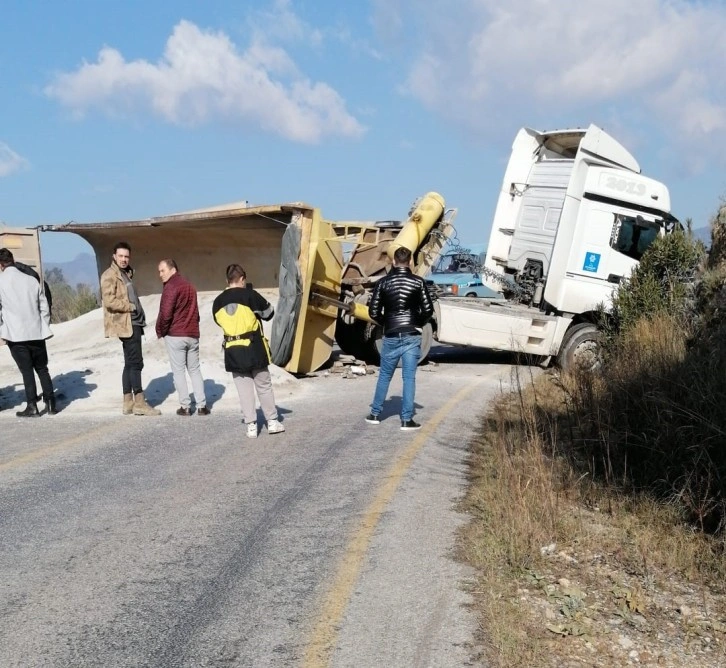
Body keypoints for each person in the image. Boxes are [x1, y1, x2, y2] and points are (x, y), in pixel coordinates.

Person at [365, 246, 434, 430]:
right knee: (409, 378)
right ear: (410, 262)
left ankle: (375, 414)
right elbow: (428, 310)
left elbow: (373, 311)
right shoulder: (418, 282)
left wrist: (387, 322)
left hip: (391, 334)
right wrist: (416, 322)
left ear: (393, 262)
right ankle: (406, 420)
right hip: (412, 335)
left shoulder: (383, 283)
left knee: (385, 376)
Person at [212, 264, 285, 439]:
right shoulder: (250, 295)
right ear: (243, 279)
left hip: (232, 350)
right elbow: (269, 313)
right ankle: (272, 422)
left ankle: (251, 426)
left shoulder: (218, 302)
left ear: (227, 281)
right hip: (254, 348)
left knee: (243, 390)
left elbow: (218, 321)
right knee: (263, 386)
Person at [100, 241, 160, 416]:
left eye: (126, 256)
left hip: (132, 322)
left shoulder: (125, 273)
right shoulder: (110, 275)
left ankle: (128, 402)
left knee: (129, 363)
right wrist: (130, 306)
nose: (124, 259)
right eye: (121, 256)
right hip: (126, 322)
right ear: (114, 256)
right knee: (136, 363)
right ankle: (139, 402)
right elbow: (109, 301)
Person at [0, 248, 57, 416]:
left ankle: (32, 405)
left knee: (27, 371)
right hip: (37, 332)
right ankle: (51, 403)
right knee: (42, 368)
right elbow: (44, 306)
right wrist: (42, 325)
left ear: (1, 265)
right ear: (12, 260)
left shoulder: (1, 281)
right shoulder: (31, 280)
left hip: (16, 334)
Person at [155, 259, 209, 416]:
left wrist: (161, 331)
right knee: (194, 369)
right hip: (192, 334)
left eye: (162, 270)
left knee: (178, 371)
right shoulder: (190, 286)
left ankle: (185, 406)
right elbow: (196, 312)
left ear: (172, 270)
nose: (160, 274)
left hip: (176, 335)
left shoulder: (171, 286)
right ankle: (202, 406)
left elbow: (166, 313)